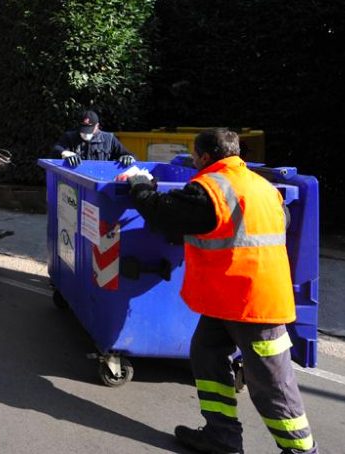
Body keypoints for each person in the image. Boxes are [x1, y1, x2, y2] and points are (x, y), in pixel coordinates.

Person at [126, 128, 316, 454]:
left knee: (272, 385)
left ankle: (301, 451)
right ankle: (221, 437)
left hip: (253, 304)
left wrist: (139, 185)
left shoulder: (210, 189)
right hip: (230, 298)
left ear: (204, 156)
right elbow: (275, 222)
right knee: (206, 354)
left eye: (195, 156)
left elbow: (163, 214)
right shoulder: (262, 185)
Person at [52, 109, 135, 167]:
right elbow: (55, 149)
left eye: (89, 130)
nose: (85, 133)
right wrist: (64, 152)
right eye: (83, 129)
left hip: (99, 177)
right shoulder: (70, 137)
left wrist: (128, 158)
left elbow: (129, 155)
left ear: (97, 126)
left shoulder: (109, 139)